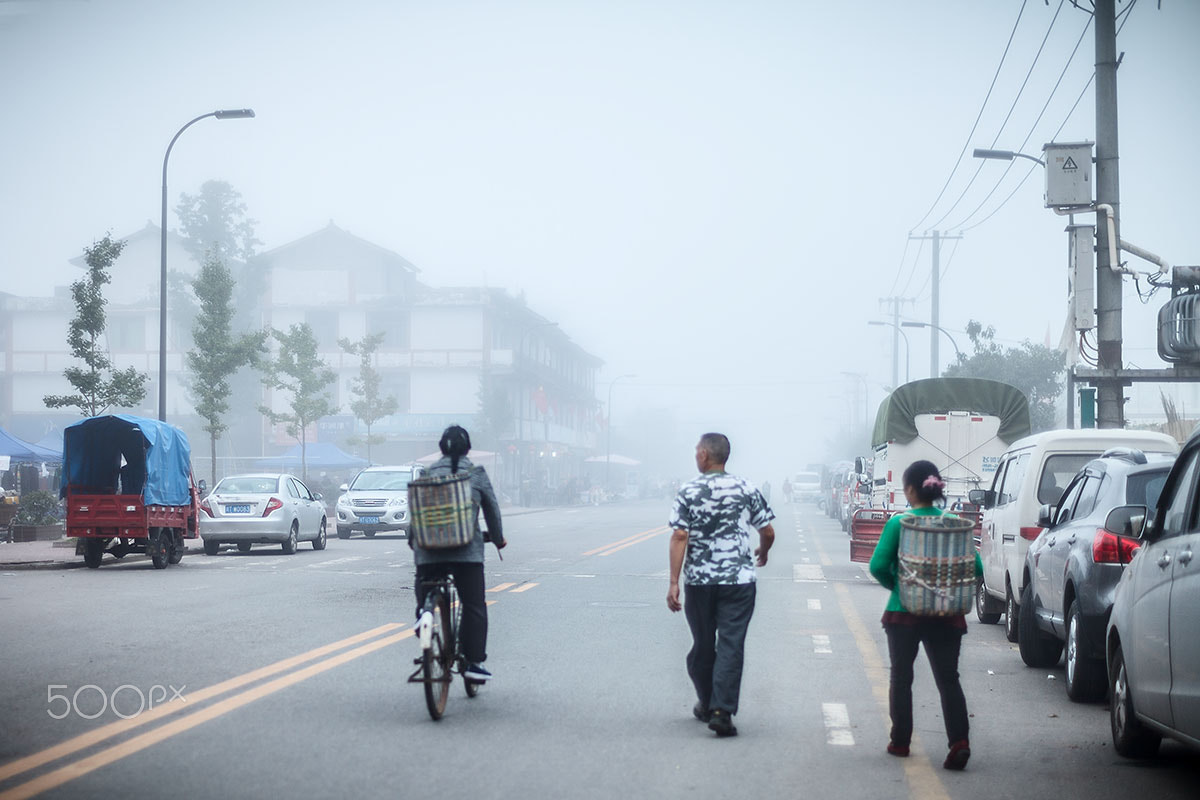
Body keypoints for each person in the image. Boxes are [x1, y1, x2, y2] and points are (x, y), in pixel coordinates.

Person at [868, 460, 981, 771]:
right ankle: (959, 742)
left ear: (909, 490)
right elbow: (977, 568)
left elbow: (877, 566)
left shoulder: (899, 524)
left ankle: (900, 742)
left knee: (901, 678)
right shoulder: (956, 524)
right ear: (937, 489)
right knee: (949, 679)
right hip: (948, 614)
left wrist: (903, 588)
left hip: (904, 615)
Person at [666, 432, 775, 737]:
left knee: (703, 644)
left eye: (696, 452)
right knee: (731, 643)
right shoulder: (746, 487)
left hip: (700, 582)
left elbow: (679, 536)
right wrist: (762, 552)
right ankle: (721, 711)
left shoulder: (688, 490)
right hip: (738, 582)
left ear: (703, 455)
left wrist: (674, 583)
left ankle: (707, 701)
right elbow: (767, 531)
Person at [412, 425, 506, 682]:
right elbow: (492, 511)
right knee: (474, 605)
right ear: (468, 449)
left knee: (425, 584)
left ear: (441, 448)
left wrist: (414, 542)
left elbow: (417, 512)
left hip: (429, 550)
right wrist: (497, 539)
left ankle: (424, 613)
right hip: (466, 552)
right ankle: (473, 662)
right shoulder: (475, 474)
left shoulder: (427, 473)